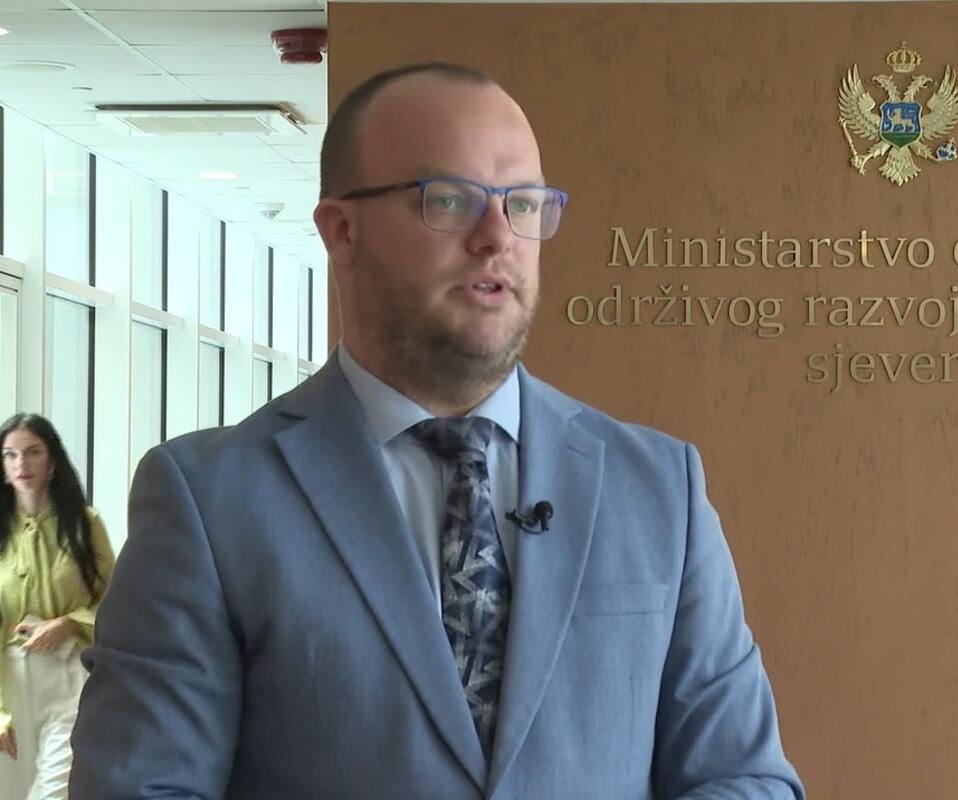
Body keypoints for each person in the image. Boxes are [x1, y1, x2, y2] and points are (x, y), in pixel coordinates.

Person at [69, 63, 804, 799]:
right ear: (342, 233)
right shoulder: (210, 501)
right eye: (449, 200)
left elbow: (746, 778)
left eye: (522, 203)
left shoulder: (659, 489)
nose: (497, 237)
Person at [0, 413, 113, 799]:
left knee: (52, 792)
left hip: (67, 676)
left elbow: (116, 599)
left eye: (33, 452)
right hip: (8, 683)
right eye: (10, 454)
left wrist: (71, 622)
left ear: (51, 461)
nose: (22, 463)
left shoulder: (85, 525)